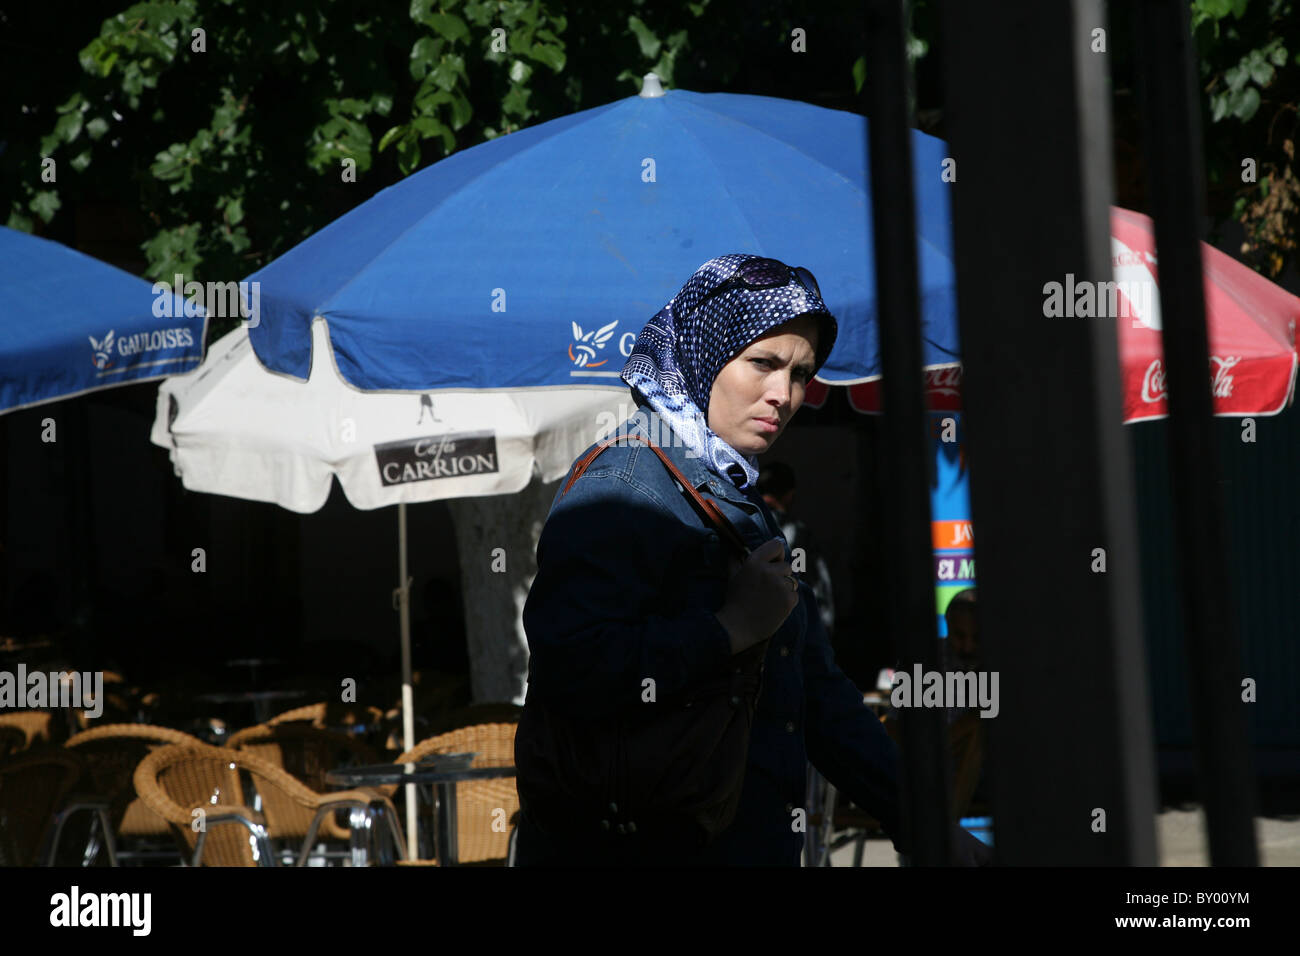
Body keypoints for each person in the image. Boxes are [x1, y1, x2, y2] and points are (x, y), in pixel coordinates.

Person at [513, 254, 989, 866]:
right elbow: (572, 666)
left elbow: (818, 695)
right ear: (705, 356)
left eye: (801, 374)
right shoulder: (629, 481)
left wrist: (921, 821)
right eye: (763, 363)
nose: (784, 395)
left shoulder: (735, 495)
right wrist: (729, 628)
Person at [757, 462, 835, 637]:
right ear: (789, 494)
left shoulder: (745, 527)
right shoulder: (797, 534)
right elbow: (808, 584)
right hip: (793, 632)